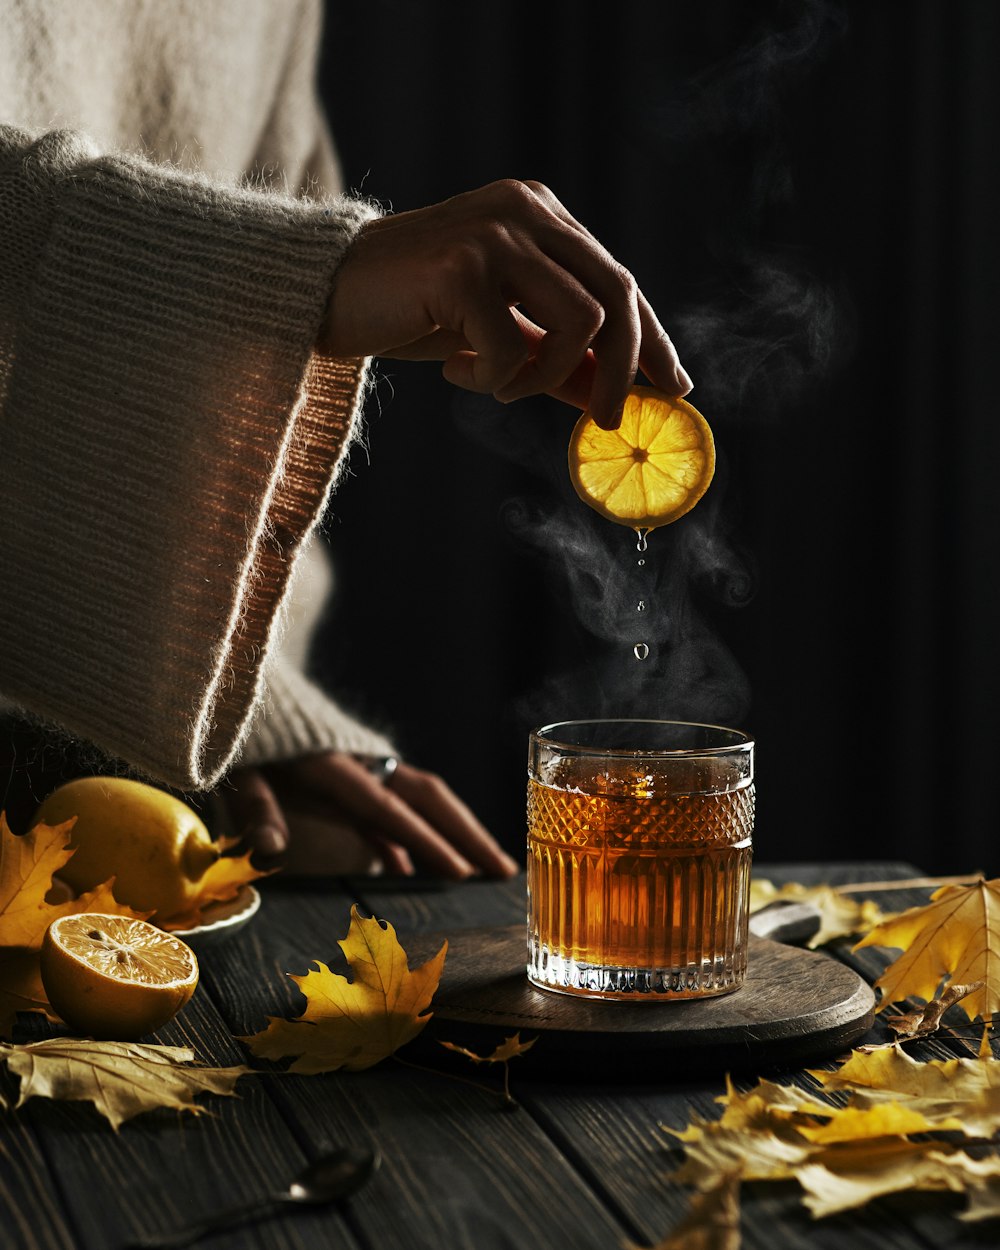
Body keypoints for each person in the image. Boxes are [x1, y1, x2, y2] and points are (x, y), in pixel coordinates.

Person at [0, 0, 691, 879]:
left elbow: (241, 414)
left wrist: (242, 693)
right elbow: (276, 282)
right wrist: (280, 276)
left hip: (109, 806)